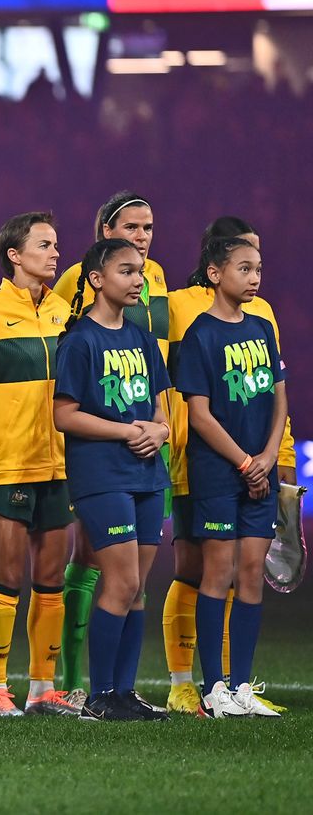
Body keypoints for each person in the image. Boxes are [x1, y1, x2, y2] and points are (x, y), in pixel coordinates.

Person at [162, 217, 294, 715]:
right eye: (244, 268)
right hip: (218, 471)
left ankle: (241, 687)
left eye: (258, 268)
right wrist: (244, 461)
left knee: (252, 574)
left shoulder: (262, 328)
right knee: (216, 573)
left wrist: (266, 457)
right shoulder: (199, 334)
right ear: (216, 274)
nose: (255, 277)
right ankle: (214, 687)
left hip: (255, 469)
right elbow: (199, 413)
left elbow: (280, 398)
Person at [51, 192, 169, 704]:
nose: (137, 279)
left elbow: (160, 405)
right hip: (103, 473)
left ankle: (124, 691)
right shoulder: (80, 340)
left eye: (139, 272)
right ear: (98, 278)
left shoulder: (141, 337)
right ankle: (99, 696)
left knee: (138, 586)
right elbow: (63, 414)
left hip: (148, 472)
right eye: (126, 271)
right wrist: (127, 432)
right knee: (119, 582)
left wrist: (160, 431)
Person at [0, 212, 79, 717]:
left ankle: (42, 689)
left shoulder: (67, 313)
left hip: (60, 463)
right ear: (14, 255)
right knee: (6, 578)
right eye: (45, 245)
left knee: (51, 579)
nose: (56, 253)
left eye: (56, 245)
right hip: (7, 462)